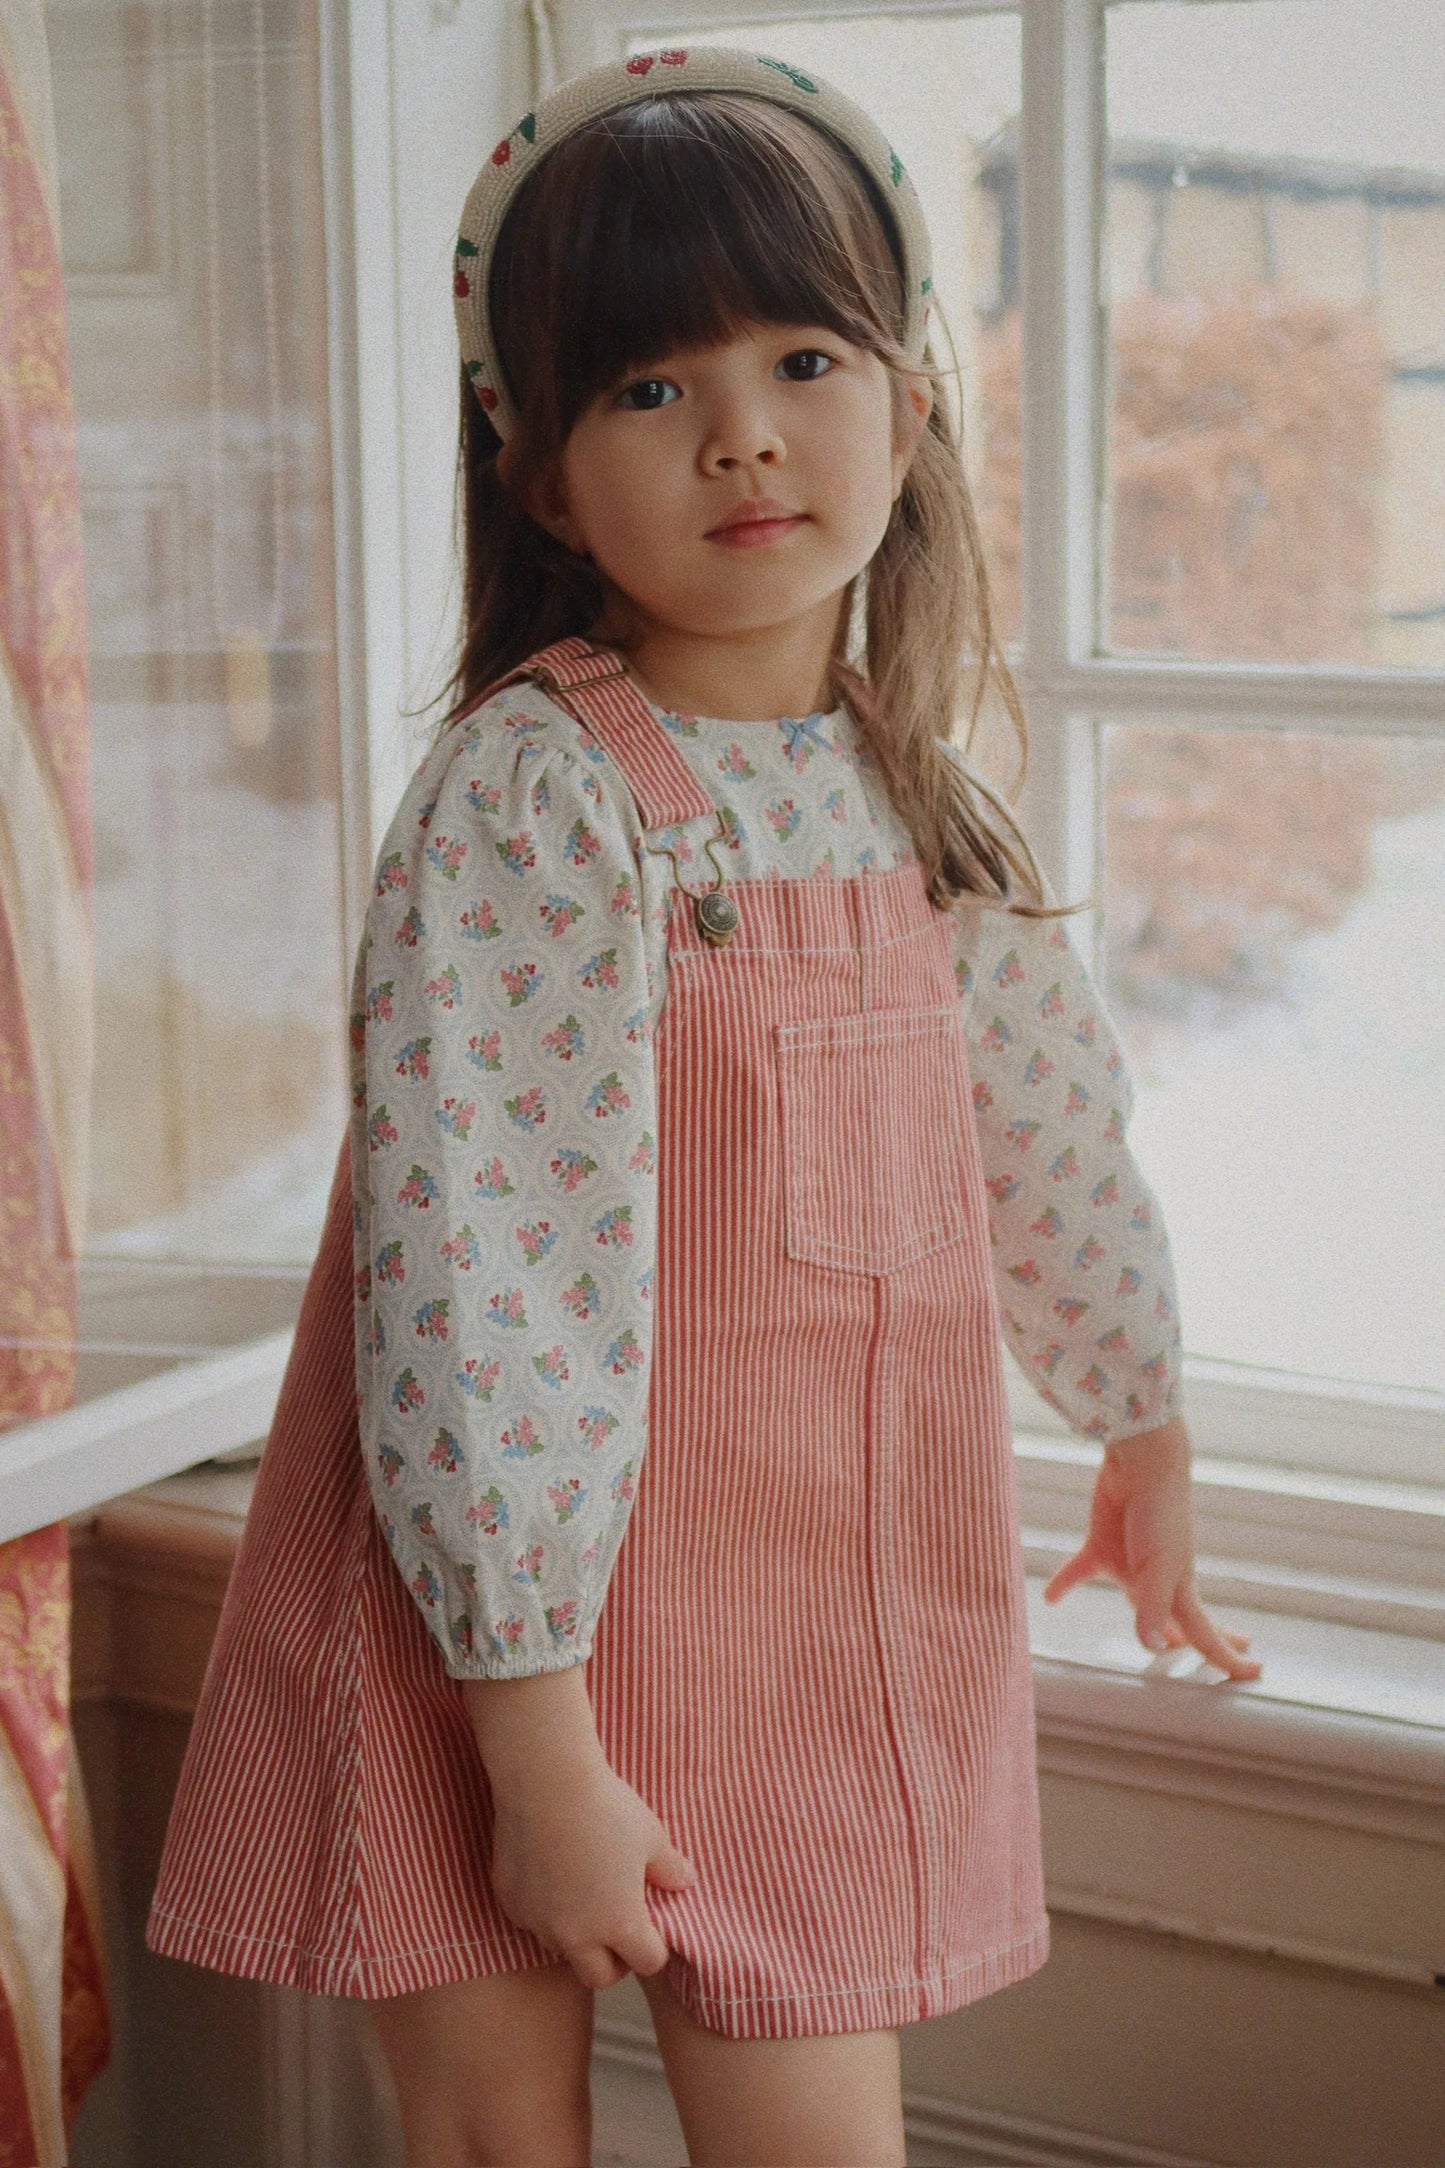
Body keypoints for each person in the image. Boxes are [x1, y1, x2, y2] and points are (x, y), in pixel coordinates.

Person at [147, 47, 1263, 2168]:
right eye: (647, 388)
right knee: (496, 2142)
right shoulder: (532, 798)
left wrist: (1145, 1421)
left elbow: (1048, 1129)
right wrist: (534, 1737)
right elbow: (483, 1285)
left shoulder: (912, 797)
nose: (743, 425)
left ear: (912, 405)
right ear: (541, 474)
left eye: (802, 350)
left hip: (805, 1616)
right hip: (486, 1621)